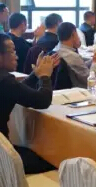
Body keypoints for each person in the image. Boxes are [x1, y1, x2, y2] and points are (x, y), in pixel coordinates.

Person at [0, 33, 58, 174]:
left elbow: (17, 91)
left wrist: (35, 74)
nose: (16, 56)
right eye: (12, 51)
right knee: (54, 159)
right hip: (4, 159)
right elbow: (42, 100)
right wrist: (45, 76)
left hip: (3, 150)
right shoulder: (5, 81)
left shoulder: (5, 81)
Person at [54, 23, 96, 89]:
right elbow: (90, 80)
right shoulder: (73, 56)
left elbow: (80, 67)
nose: (79, 37)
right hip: (78, 90)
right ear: (73, 35)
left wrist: (94, 59)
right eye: (77, 34)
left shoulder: (55, 49)